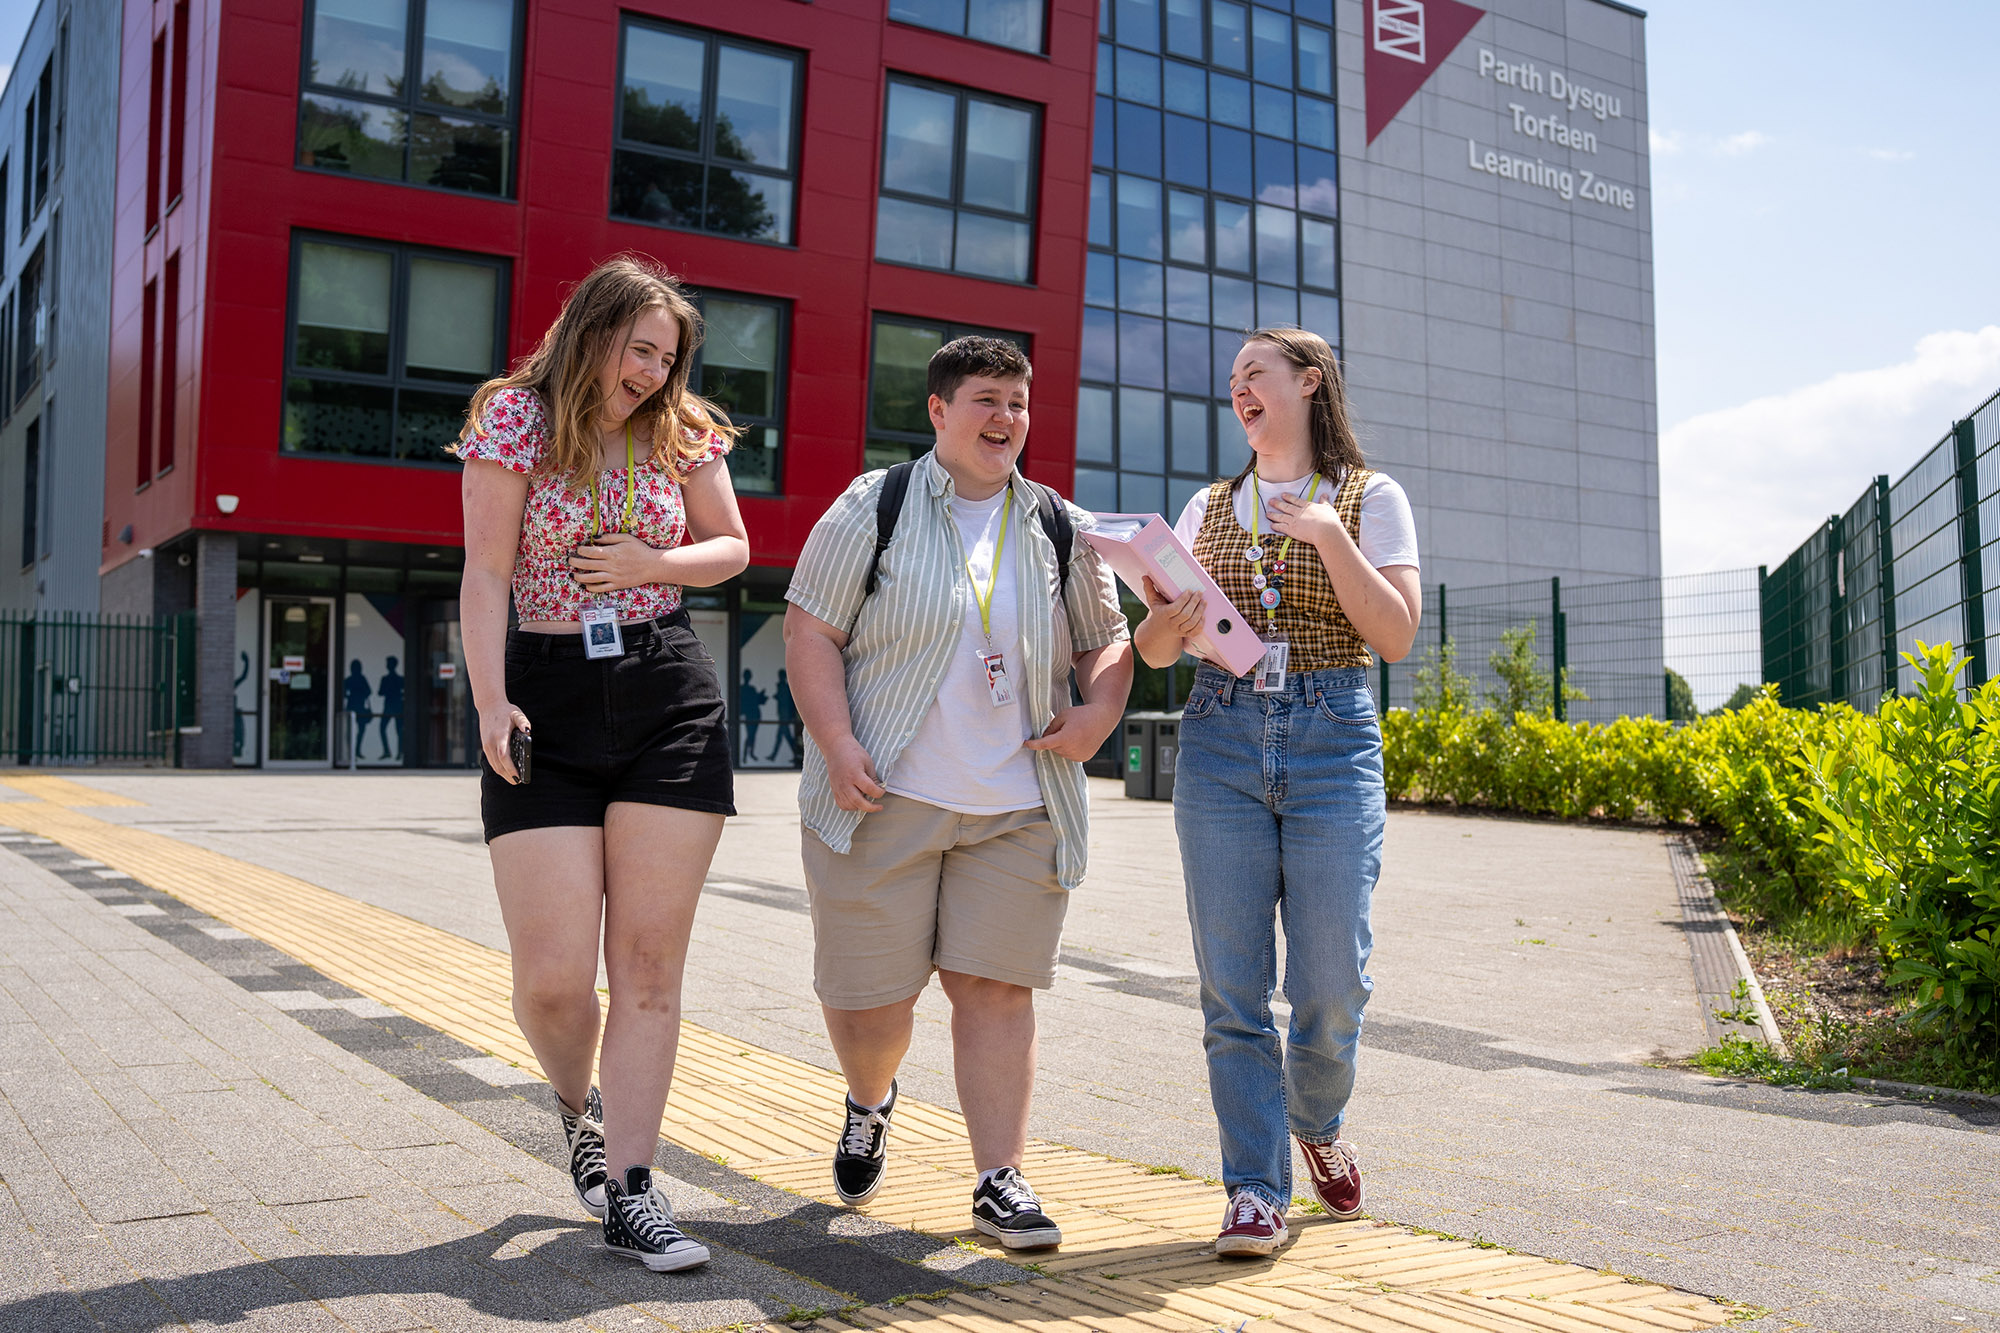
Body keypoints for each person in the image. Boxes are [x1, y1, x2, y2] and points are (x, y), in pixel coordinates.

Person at [783, 336, 1133, 1250]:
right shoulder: (878, 504)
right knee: (870, 1010)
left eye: (1018, 402)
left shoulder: (1057, 520)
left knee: (995, 988)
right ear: (938, 411)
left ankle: (998, 1178)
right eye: (985, 400)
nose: (1006, 419)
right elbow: (811, 630)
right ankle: (870, 1098)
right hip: (880, 795)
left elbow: (1107, 636)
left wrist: (1097, 713)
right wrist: (837, 739)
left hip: (1018, 805)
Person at [456, 256, 748, 1273]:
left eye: (667, 358)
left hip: (666, 687)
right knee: (550, 980)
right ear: (593, 330)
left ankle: (631, 1187)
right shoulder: (512, 422)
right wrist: (492, 699)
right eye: (639, 350)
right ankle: (576, 1109)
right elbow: (486, 571)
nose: (652, 372)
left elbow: (732, 548)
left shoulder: (685, 429)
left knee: (648, 966)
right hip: (545, 688)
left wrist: (652, 565)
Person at [1133, 327, 1421, 1257]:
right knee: (1233, 986)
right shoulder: (1210, 504)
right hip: (1219, 733)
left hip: (1334, 734)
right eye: (1232, 381)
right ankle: (1253, 1189)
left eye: (1255, 372)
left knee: (1333, 982)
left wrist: (1332, 536)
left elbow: (1397, 635)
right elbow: (1151, 651)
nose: (1240, 390)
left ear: (1310, 381)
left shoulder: (1371, 499)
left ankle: (1317, 1120)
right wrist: (1166, 627)